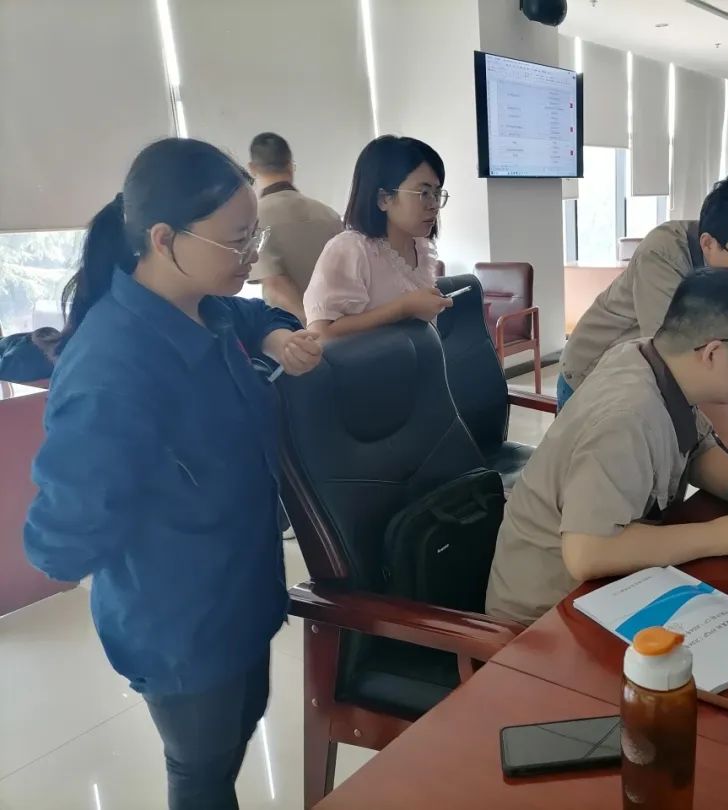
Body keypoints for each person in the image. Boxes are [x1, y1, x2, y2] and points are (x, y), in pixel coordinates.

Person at [23, 138, 323, 810]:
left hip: (242, 592)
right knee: (203, 773)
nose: (251, 257)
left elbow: (257, 313)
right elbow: (61, 539)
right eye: (237, 241)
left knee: (235, 734)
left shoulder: (208, 306)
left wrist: (276, 334)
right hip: (182, 622)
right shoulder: (112, 366)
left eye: (255, 236)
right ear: (163, 239)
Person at [486, 269, 728, 625]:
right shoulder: (627, 415)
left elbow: (694, 447)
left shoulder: (656, 360)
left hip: (605, 588)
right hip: (544, 617)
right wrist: (722, 535)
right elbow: (588, 552)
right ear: (713, 353)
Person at [558, 174, 728, 461]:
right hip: (595, 373)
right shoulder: (664, 253)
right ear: (708, 244)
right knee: (610, 473)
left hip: (655, 382)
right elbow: (677, 359)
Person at [304, 135, 451, 339]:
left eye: (437, 193)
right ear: (384, 198)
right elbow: (321, 334)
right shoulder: (351, 249)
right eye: (423, 193)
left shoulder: (421, 248)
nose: (434, 205)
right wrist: (403, 308)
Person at [246, 132, 343, 325]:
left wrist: (311, 328)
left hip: (295, 333)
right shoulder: (328, 214)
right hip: (342, 326)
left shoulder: (253, 220)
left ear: (252, 168)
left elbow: (275, 285)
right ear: (290, 166)